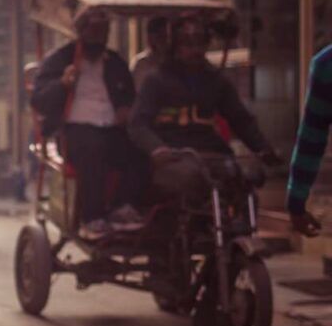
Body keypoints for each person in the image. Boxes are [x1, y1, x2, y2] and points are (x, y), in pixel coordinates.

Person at [129, 18, 278, 202]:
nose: (195, 51)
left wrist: (263, 148)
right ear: (175, 47)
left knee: (242, 183)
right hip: (175, 153)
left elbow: (240, 119)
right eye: (188, 45)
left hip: (212, 152)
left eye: (200, 44)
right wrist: (158, 149)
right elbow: (138, 124)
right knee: (189, 179)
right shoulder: (156, 80)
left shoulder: (216, 80)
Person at [31, 13, 143, 240]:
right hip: (74, 131)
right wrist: (62, 84)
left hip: (112, 128)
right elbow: (39, 100)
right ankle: (92, 217)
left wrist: (125, 109)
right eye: (92, 31)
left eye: (102, 32)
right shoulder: (60, 60)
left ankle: (122, 208)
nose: (97, 37)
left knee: (141, 149)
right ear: (80, 32)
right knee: (94, 148)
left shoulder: (115, 63)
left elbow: (130, 98)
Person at [286, 44, 332, 236]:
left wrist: (296, 202)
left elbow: (311, 139)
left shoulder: (326, 64)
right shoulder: (326, 65)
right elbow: (311, 140)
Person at [131, 16, 168, 91]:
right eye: (158, 37)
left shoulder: (175, 61)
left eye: (164, 37)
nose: (161, 42)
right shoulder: (141, 64)